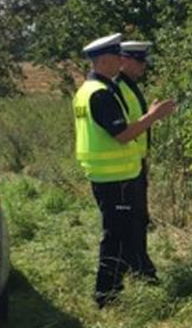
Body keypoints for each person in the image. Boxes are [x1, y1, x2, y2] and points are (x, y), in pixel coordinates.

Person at [74, 33, 176, 307]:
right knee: (115, 238)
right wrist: (154, 116)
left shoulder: (90, 89)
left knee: (123, 233)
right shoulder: (100, 94)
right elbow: (122, 134)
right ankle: (106, 296)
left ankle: (127, 283)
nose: (122, 61)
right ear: (104, 60)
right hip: (114, 177)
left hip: (113, 174)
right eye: (118, 57)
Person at [117, 40, 156, 282]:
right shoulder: (118, 87)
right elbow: (123, 130)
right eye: (139, 61)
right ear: (124, 60)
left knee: (139, 219)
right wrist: (152, 117)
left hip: (135, 162)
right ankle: (139, 271)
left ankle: (137, 268)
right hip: (123, 166)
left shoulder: (129, 86)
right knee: (132, 220)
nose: (144, 66)